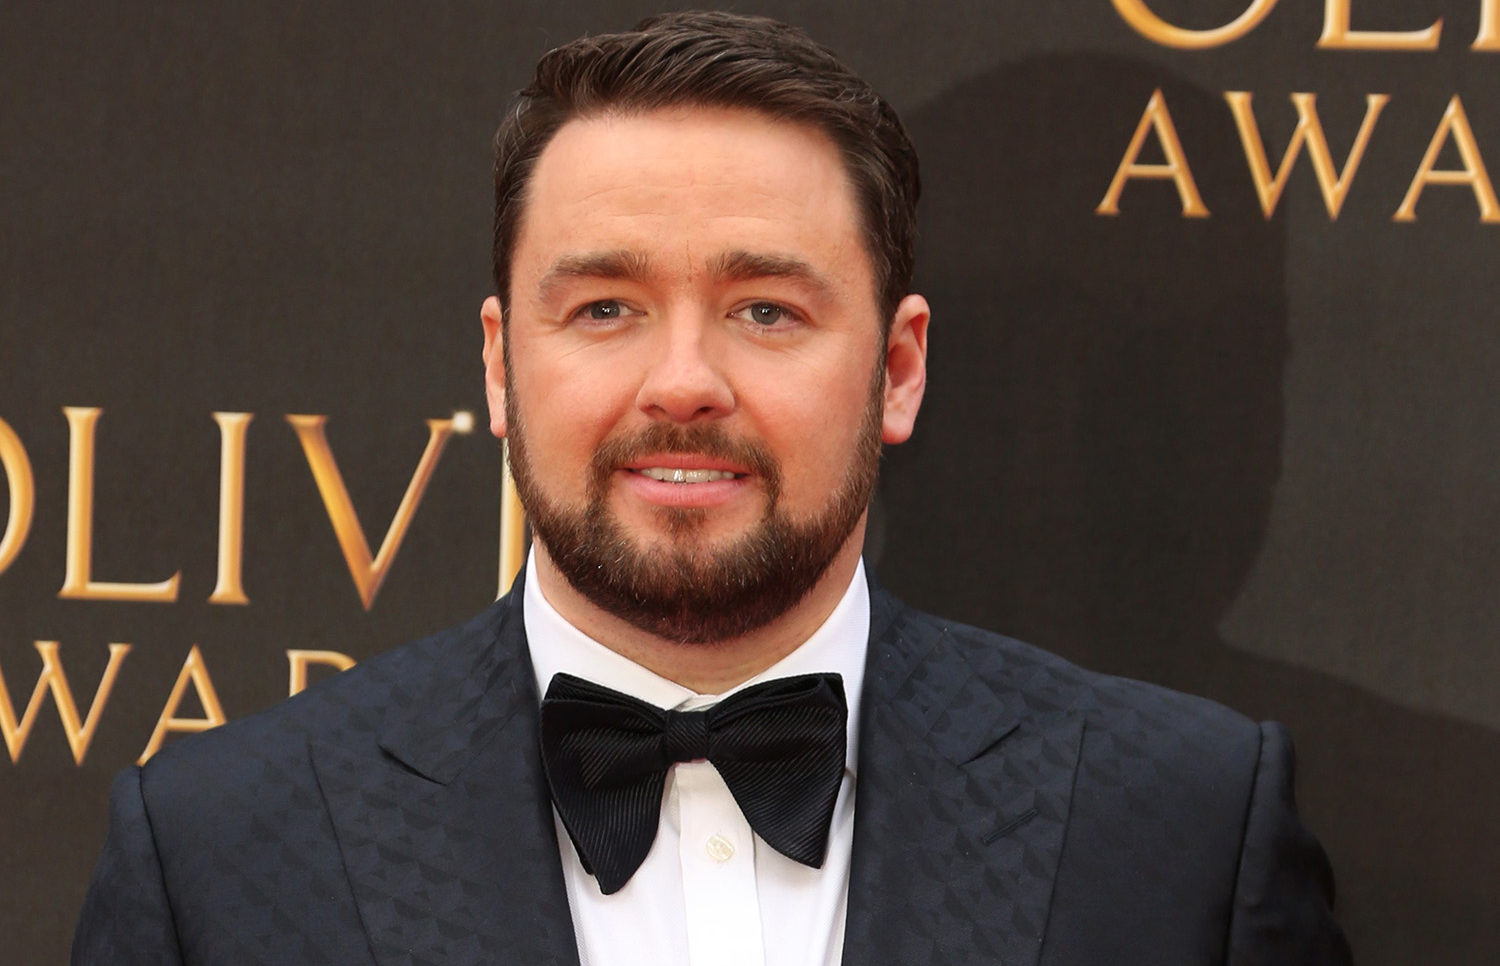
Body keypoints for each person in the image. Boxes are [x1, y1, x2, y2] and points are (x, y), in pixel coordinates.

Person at [71, 11, 1349, 966]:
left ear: (899, 370)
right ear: (500, 366)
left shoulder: (1180, 827)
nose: (683, 383)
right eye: (606, 307)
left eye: (766, 310)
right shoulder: (219, 851)